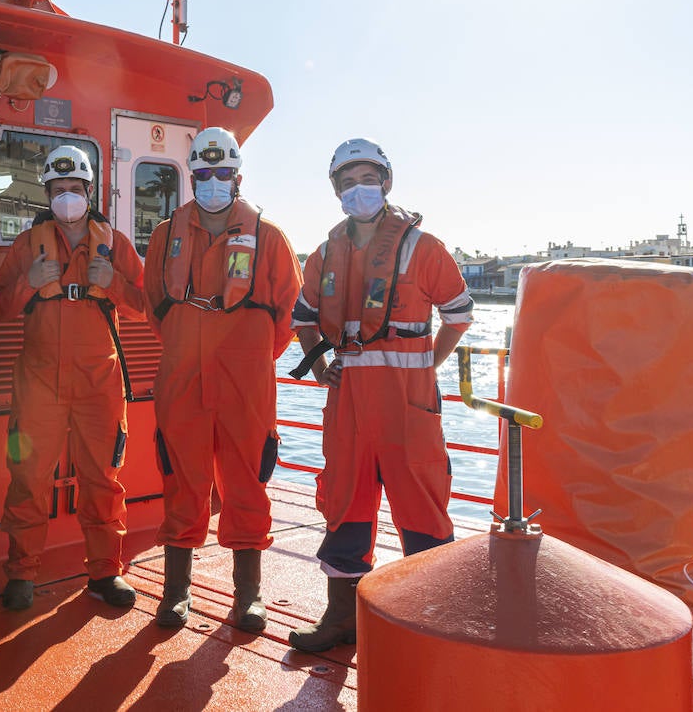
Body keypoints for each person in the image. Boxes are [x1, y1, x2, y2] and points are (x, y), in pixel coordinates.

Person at [287, 138, 473, 652]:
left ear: (386, 183)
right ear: (335, 192)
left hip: (406, 406)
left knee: (422, 509)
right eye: (346, 183)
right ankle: (341, 620)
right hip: (347, 405)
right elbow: (303, 317)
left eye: (366, 180)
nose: (357, 191)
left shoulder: (423, 246)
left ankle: (433, 628)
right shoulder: (324, 254)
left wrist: (428, 365)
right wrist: (321, 365)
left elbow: (458, 314)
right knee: (344, 503)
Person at [142, 126, 302, 633]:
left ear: (238, 176)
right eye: (204, 173)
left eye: (222, 173)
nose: (213, 181)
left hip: (245, 385)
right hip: (183, 379)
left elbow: (288, 314)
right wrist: (191, 346)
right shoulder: (166, 235)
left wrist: (247, 356)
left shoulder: (270, 238)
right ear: (192, 176)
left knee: (247, 484)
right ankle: (176, 593)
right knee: (181, 480)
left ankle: (247, 598)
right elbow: (154, 308)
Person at [0, 145, 148, 611]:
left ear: (89, 192)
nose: (66, 197)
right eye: (58, 190)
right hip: (39, 381)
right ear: (47, 193)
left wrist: (113, 281)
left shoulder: (115, 244)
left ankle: (105, 574)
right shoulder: (27, 245)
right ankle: (21, 574)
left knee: (103, 480)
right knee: (27, 479)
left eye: (74, 189)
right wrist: (29, 282)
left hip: (100, 380)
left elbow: (144, 307)